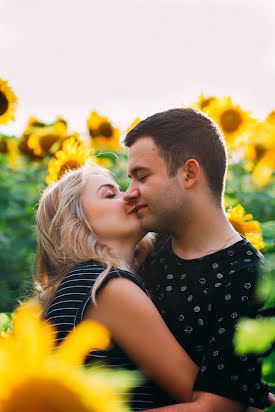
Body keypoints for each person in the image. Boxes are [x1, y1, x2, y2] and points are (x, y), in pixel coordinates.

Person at [123, 107, 274, 412]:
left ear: (189, 174)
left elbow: (216, 408)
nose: (129, 193)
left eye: (141, 177)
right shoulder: (149, 246)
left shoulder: (248, 277)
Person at [35, 162, 199, 411]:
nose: (131, 195)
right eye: (110, 194)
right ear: (76, 222)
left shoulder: (79, 285)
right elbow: (202, 393)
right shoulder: (105, 287)